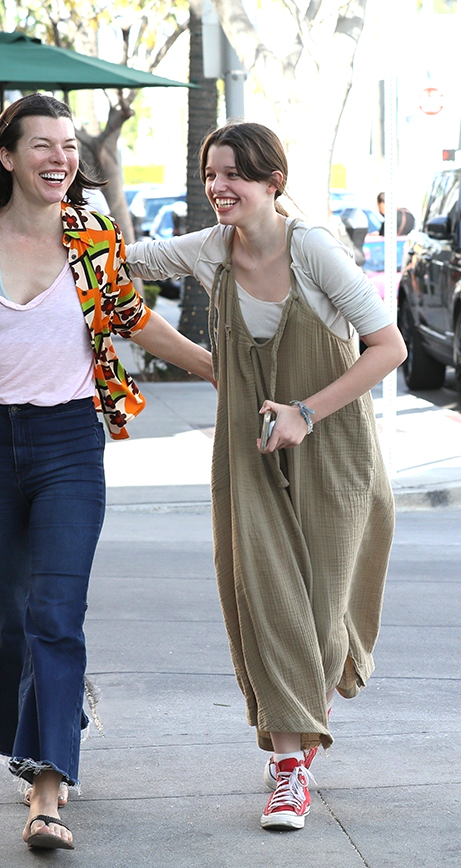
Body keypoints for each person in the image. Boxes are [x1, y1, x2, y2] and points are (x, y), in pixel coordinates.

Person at [0, 93, 213, 852]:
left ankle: (47, 787)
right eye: (44, 145)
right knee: (9, 616)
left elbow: (131, 315)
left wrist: (211, 366)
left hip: (68, 439)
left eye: (69, 146)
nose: (62, 157)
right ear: (6, 156)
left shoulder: (90, 233)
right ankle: (45, 724)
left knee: (54, 613)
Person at [126, 121, 407, 831]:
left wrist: (304, 414)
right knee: (268, 597)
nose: (220, 187)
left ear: (272, 182)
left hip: (330, 442)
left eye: (235, 176)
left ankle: (302, 724)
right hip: (249, 449)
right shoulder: (212, 250)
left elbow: (389, 346)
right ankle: (290, 769)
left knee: (324, 617)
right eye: (211, 175)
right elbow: (123, 261)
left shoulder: (310, 248)